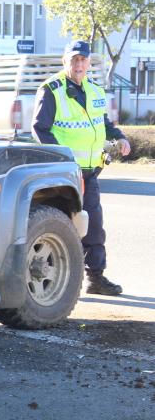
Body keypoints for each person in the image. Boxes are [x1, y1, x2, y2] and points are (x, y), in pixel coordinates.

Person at [32, 40, 131, 296]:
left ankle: (95, 278)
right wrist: (63, 160)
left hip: (89, 171)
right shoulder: (52, 90)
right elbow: (40, 129)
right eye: (74, 59)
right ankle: (56, 283)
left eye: (83, 60)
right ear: (65, 61)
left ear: (88, 62)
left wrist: (120, 137)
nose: (78, 64)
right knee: (62, 227)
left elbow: (103, 123)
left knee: (94, 226)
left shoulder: (95, 91)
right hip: (64, 174)